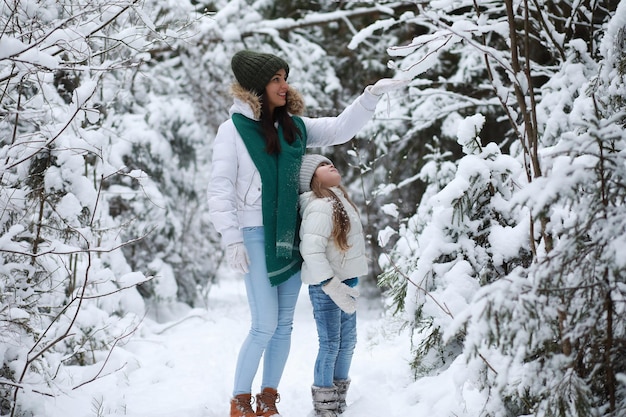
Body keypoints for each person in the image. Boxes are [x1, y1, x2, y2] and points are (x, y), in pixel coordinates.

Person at [208, 49, 408, 417]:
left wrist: (370, 96)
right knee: (264, 324)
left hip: (289, 233)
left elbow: (340, 129)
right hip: (254, 233)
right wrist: (232, 237)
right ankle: (240, 402)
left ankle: (267, 401)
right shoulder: (233, 131)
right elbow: (219, 188)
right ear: (257, 86)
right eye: (276, 79)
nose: (285, 86)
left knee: (283, 325)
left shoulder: (294, 127)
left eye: (285, 77)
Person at [298, 155, 367, 417]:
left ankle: (338, 402)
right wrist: (330, 283)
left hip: (346, 281)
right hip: (327, 285)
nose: (330, 165)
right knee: (330, 344)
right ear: (312, 178)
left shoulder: (338, 199)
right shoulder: (319, 205)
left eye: (330, 162)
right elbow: (311, 250)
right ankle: (324, 406)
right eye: (322, 165)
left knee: (348, 342)